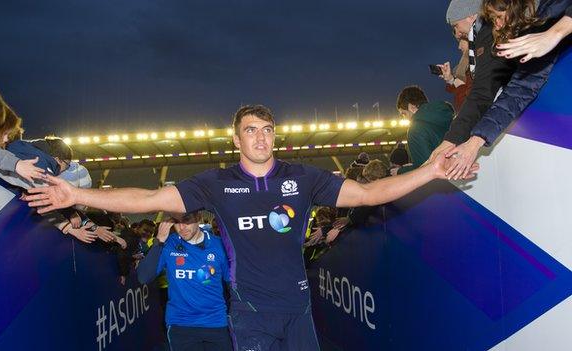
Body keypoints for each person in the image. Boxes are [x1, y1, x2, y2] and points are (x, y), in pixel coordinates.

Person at [24, 104, 477, 350]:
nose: (261, 136)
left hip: (299, 311)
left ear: (274, 136)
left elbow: (367, 194)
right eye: (251, 130)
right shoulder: (216, 185)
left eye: (267, 129)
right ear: (236, 139)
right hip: (249, 315)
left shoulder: (303, 178)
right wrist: (77, 195)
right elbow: (147, 199)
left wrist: (429, 172)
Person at [445, 0, 572, 180]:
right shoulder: (530, 31)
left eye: (497, 17)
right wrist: (474, 144)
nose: (496, 25)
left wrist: (556, 32)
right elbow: (520, 89)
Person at [430, 0, 518, 173]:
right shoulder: (482, 34)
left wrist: (451, 139)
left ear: (470, 16)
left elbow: (481, 93)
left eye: (456, 25)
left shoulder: (486, 32)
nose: (457, 33)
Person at [137, 212, 232, 351]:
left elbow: (233, 285)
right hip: (181, 325)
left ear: (198, 218)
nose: (181, 227)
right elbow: (143, 277)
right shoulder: (169, 244)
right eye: (177, 222)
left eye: (186, 221)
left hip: (216, 323)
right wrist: (159, 241)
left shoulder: (219, 245)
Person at [395, 85, 454, 174]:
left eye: (404, 114)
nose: (404, 118)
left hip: (445, 182)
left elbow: (425, 169)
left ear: (412, 107)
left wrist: (401, 171)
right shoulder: (448, 115)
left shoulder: (416, 129)